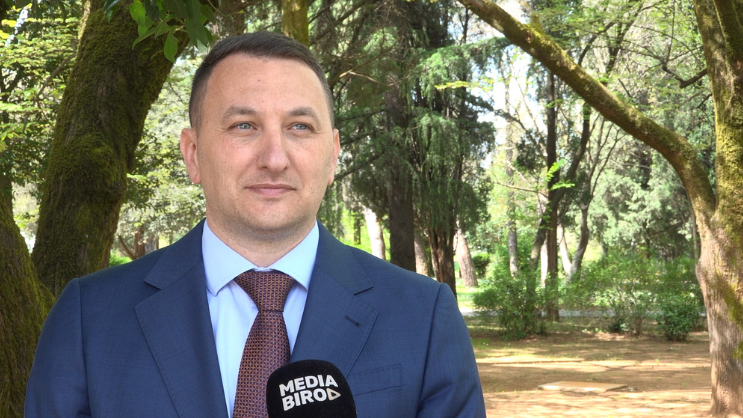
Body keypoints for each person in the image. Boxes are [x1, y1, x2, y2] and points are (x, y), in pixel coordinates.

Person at [25, 31, 486, 418]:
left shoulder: (423, 318)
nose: (274, 158)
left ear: (332, 156)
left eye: (299, 126)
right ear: (193, 154)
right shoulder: (89, 319)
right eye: (244, 125)